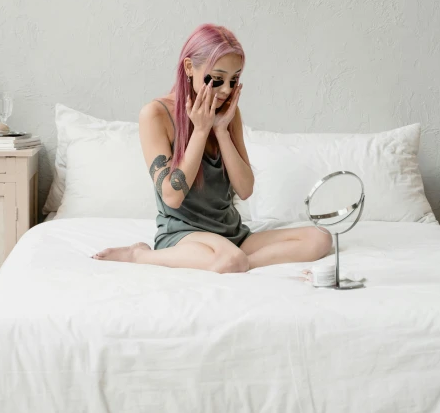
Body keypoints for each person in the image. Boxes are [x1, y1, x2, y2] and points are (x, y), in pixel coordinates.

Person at [92, 23, 332, 273]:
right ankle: (139, 255)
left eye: (234, 79)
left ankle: (234, 261)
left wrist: (220, 129)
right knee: (232, 260)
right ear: (189, 68)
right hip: (184, 236)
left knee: (321, 238)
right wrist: (201, 129)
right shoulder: (155, 114)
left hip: (232, 234)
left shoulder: (229, 113)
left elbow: (245, 188)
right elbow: (172, 196)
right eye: (217, 79)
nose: (227, 90)